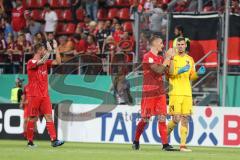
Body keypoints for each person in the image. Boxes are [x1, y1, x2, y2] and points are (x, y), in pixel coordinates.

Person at [132, 35, 175, 151]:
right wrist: (167, 59)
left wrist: (171, 59)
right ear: (155, 44)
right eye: (161, 43)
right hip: (149, 93)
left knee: (162, 117)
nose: (162, 45)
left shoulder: (161, 58)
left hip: (160, 92)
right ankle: (136, 140)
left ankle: (165, 144)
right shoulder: (147, 57)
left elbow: (169, 72)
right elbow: (158, 70)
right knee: (145, 119)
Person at [167, 37, 206, 152]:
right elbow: (168, 74)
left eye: (182, 44)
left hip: (187, 93)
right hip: (175, 93)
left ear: (185, 45)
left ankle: (182, 146)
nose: (180, 46)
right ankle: (164, 138)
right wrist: (179, 71)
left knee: (185, 118)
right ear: (176, 46)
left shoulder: (190, 59)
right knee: (176, 119)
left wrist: (198, 73)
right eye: (178, 44)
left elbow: (191, 76)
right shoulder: (172, 59)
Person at [26, 43, 64, 147]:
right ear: (39, 51)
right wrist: (50, 51)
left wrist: (56, 49)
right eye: (43, 50)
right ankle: (30, 141)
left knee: (49, 116)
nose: (44, 51)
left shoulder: (45, 63)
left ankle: (54, 140)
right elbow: (41, 61)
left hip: (45, 95)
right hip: (34, 95)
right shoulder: (30, 62)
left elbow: (58, 62)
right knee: (33, 118)